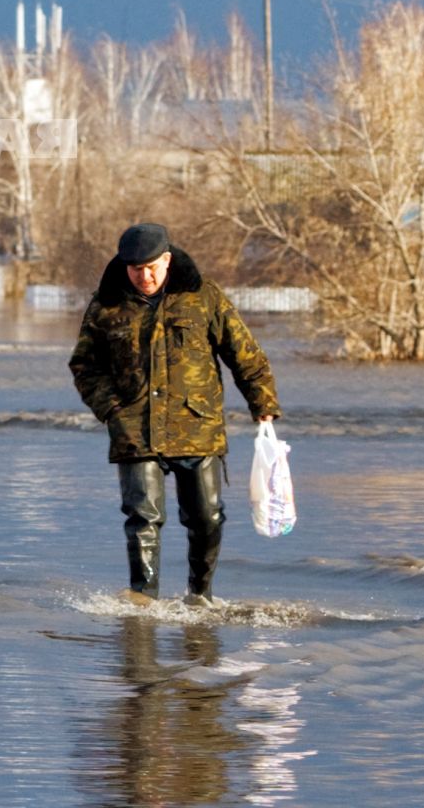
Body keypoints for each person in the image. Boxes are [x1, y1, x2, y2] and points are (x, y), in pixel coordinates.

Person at [68, 222, 282, 604]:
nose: (144, 276)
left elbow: (244, 355)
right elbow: (84, 365)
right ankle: (143, 598)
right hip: (134, 428)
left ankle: (200, 595)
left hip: (196, 427)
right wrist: (111, 409)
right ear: (124, 265)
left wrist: (262, 405)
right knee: (142, 518)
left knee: (206, 518)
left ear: (166, 260)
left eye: (151, 267)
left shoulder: (204, 298)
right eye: (135, 269)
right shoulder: (106, 305)